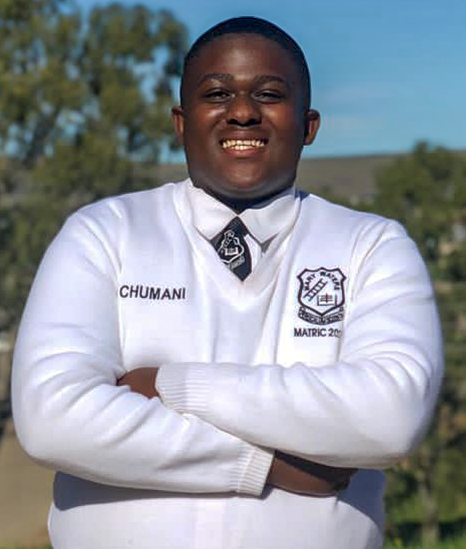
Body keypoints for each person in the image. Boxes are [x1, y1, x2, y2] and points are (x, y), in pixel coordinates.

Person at [12, 16, 443, 549]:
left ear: (308, 125)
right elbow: (51, 417)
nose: (242, 112)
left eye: (269, 94)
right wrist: (263, 464)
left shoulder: (371, 246)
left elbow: (391, 416)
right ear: (181, 122)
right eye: (217, 94)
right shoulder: (105, 234)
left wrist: (173, 385)